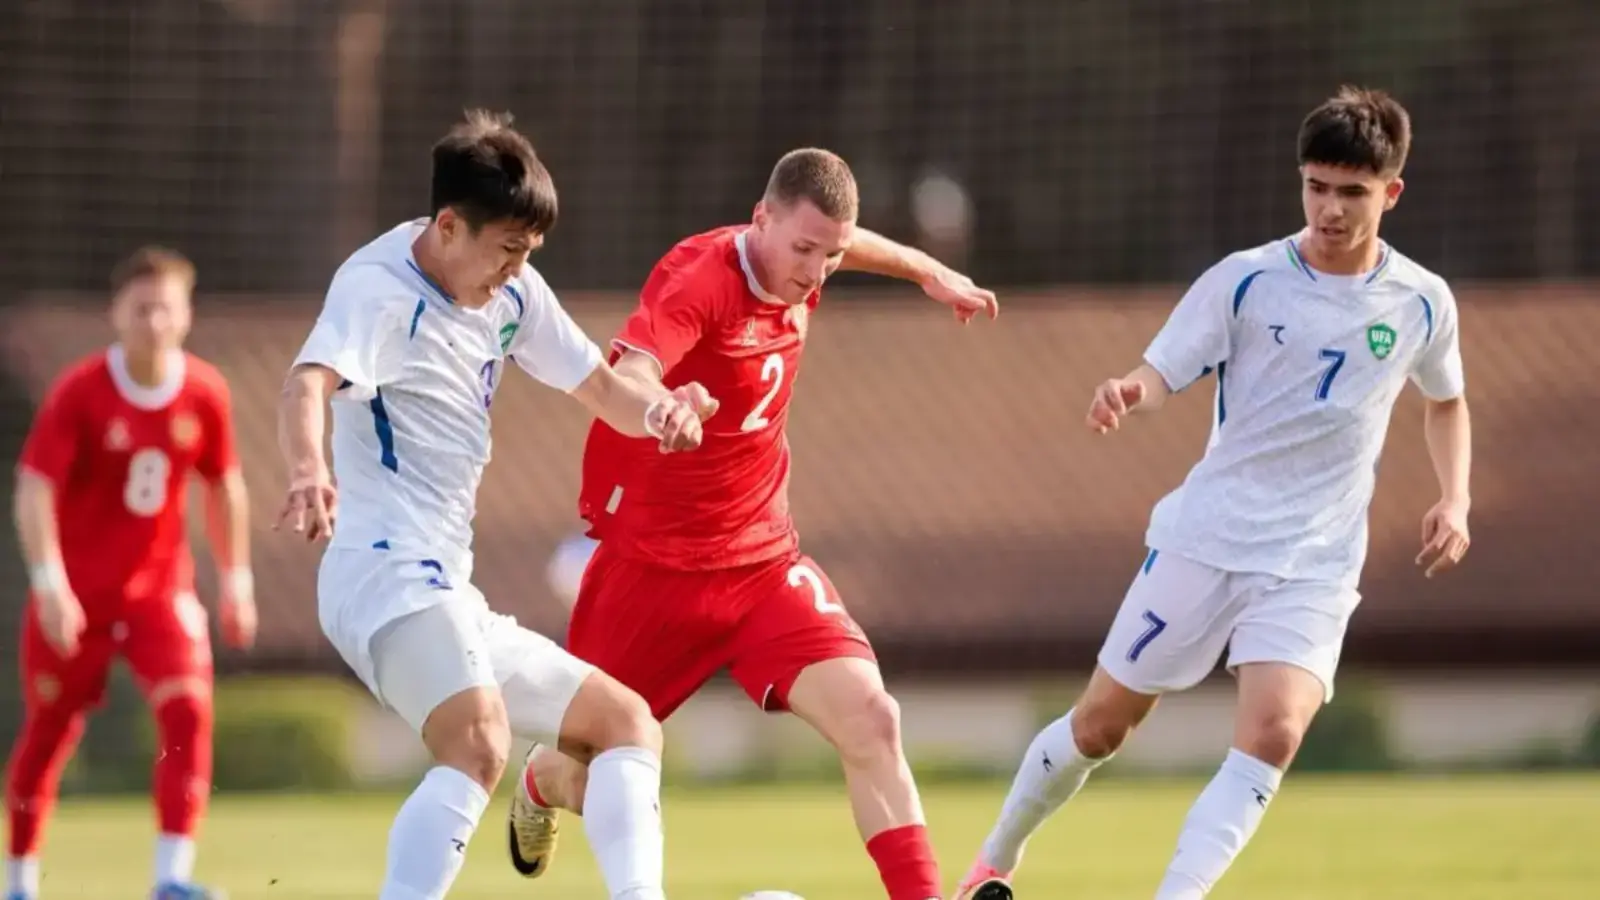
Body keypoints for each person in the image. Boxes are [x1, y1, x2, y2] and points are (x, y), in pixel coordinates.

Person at [951, 86, 1473, 900]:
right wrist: (1130, 388)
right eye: (1316, 186)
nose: (1329, 209)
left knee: (1275, 731)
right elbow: (1165, 369)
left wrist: (1456, 497)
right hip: (1208, 537)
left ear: (1391, 192)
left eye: (1352, 192)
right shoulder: (1246, 280)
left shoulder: (1420, 301)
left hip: (1315, 559)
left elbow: (1446, 401)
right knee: (1100, 727)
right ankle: (996, 860)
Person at [512, 147, 1000, 900]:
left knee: (872, 717)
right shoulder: (698, 278)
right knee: (586, 764)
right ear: (760, 219)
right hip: (654, 572)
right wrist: (662, 405)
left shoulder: (810, 256)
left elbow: (847, 241)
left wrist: (924, 271)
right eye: (803, 249)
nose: (815, 272)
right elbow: (634, 365)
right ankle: (542, 785)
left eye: (830, 256)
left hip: (763, 562)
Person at [275, 109, 715, 900]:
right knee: (479, 744)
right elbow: (306, 380)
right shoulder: (377, 291)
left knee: (627, 723)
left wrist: (662, 412)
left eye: (528, 252)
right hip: (381, 575)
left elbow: (605, 389)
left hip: (448, 588)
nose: (516, 269)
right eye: (507, 249)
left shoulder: (511, 292)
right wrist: (310, 469)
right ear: (448, 226)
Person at [6, 248, 255, 900]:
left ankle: (170, 878)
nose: (152, 320)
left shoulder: (205, 391)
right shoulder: (80, 391)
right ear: (116, 312)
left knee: (189, 711)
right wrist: (49, 581)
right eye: (140, 307)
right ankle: (19, 882)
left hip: (158, 592)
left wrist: (236, 579)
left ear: (186, 314)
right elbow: (34, 487)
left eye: (165, 307)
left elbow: (223, 484)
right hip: (77, 596)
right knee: (50, 732)